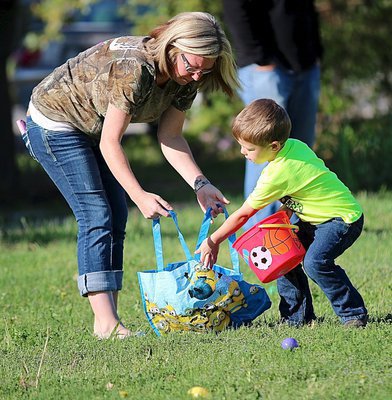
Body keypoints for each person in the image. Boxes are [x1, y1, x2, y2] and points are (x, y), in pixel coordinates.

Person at [22, 12, 239, 339]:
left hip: (92, 127)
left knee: (116, 213)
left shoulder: (185, 80)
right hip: (57, 122)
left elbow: (171, 137)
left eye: (204, 70)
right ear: (172, 48)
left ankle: (108, 320)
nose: (196, 77)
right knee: (96, 214)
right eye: (191, 66)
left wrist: (201, 184)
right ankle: (107, 325)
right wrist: (139, 195)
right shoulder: (134, 69)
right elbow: (112, 142)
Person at [196, 99, 368, 328]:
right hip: (313, 217)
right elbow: (307, 185)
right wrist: (285, 214)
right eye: (241, 145)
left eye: (249, 148)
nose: (242, 152)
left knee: (316, 262)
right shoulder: (295, 146)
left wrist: (213, 240)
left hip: (341, 219)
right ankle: (296, 318)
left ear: (274, 146)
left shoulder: (276, 174)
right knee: (282, 257)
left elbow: (243, 215)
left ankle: (353, 313)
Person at [222, 0, 323, 230]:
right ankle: (260, 237)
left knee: (300, 154)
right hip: (264, 68)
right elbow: (235, 8)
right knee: (262, 153)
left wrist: (316, 52)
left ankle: (297, 232)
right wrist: (260, 59)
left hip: (305, 63)